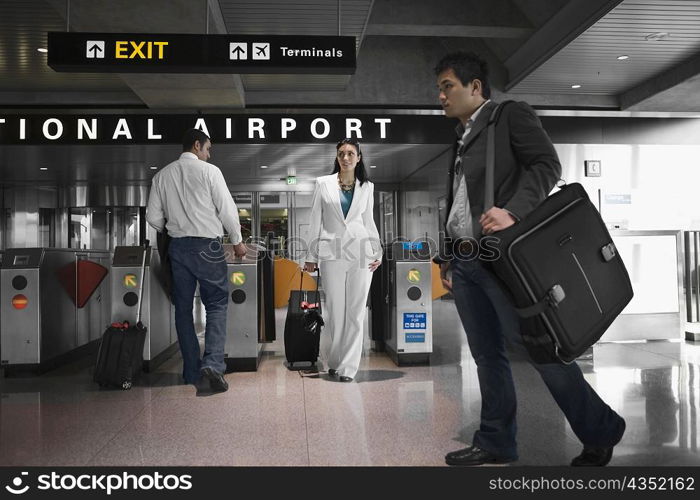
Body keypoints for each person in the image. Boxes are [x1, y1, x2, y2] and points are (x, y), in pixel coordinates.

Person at [433, 52, 626, 466]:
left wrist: (514, 211)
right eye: (440, 89)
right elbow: (459, 205)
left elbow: (546, 163)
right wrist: (450, 255)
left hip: (503, 261)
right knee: (486, 356)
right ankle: (497, 441)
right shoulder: (462, 136)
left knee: (541, 350)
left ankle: (601, 430)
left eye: (447, 86)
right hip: (468, 262)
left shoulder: (509, 116)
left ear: (475, 87)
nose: (441, 96)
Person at [146, 128, 246, 393]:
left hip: (178, 248)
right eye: (207, 148)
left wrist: (174, 224)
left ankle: (191, 369)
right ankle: (212, 365)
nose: (209, 154)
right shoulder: (210, 172)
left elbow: (153, 218)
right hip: (207, 246)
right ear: (196, 145)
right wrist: (237, 242)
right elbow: (226, 208)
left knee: (182, 309)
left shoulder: (161, 176)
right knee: (216, 304)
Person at [303, 139, 382, 382]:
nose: (345, 158)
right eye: (341, 154)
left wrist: (377, 251)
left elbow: (368, 220)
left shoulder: (367, 186)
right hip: (331, 253)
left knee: (356, 311)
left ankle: (349, 367)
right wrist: (310, 256)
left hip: (361, 253)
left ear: (359, 157)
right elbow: (315, 219)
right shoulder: (323, 183)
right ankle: (333, 361)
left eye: (350, 153)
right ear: (337, 157)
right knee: (336, 311)